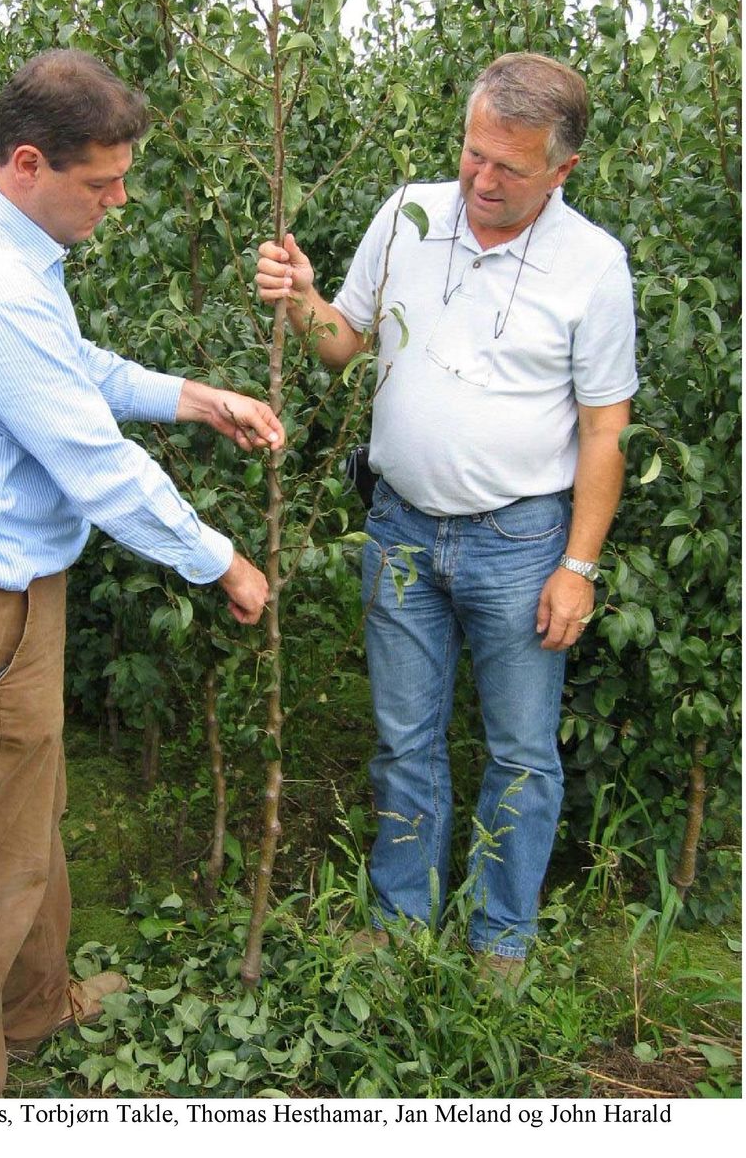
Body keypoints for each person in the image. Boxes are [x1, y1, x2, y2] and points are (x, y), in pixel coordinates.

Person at [0, 50, 284, 1096]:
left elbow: (71, 367)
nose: (119, 200)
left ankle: (33, 1002)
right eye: (100, 183)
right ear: (26, 161)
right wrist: (220, 558)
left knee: (20, 815)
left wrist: (190, 394)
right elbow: (96, 466)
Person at [256, 53, 636, 979]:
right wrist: (299, 296)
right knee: (405, 739)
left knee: (519, 751)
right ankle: (399, 927)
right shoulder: (409, 216)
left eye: (510, 166)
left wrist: (577, 568)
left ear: (563, 169)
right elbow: (342, 346)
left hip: (522, 540)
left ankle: (501, 941)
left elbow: (603, 429)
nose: (481, 180)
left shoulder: (593, 265)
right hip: (399, 530)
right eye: (473, 154)